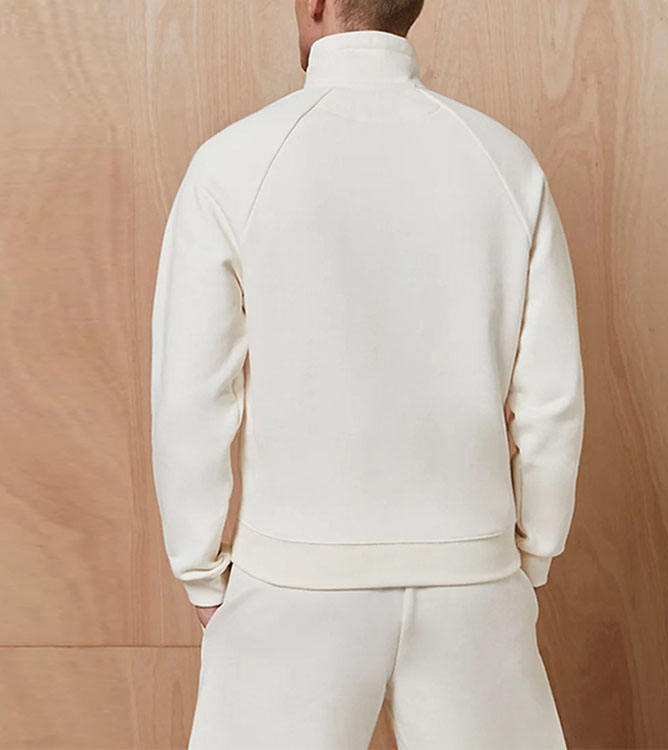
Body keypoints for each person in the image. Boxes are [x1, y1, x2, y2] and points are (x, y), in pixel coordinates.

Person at [150, 0, 585, 747]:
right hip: (472, 575)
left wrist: (201, 568)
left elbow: (192, 393)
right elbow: (548, 395)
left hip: (294, 577)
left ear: (316, 3)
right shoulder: (504, 161)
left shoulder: (232, 162)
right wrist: (533, 549)